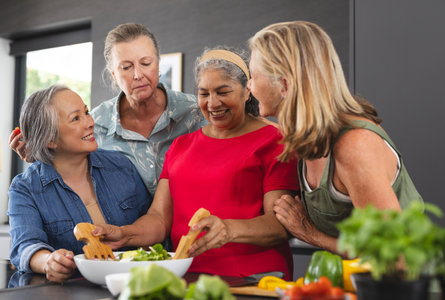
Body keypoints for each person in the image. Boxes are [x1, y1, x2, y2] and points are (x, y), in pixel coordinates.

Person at [93, 47, 300, 279]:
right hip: (185, 277)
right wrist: (124, 234)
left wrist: (229, 230)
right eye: (204, 94)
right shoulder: (181, 146)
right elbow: (159, 219)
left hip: (254, 278)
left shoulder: (275, 141)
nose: (213, 104)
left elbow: (281, 224)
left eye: (223, 92)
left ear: (246, 91)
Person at [247, 21, 423, 253]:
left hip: (408, 287)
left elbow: (393, 253)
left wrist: (310, 233)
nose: (249, 86)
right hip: (358, 284)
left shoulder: (354, 145)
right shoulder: (306, 136)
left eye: (253, 76)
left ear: (284, 85)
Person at [9, 23, 206, 196]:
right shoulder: (95, 123)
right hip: (123, 236)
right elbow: (73, 175)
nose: (138, 74)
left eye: (146, 63)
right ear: (113, 74)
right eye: (126, 67)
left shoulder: (196, 112)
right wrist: (42, 158)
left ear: (158, 64)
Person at [7, 85, 151, 283]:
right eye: (76, 118)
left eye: (86, 112)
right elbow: (25, 246)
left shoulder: (120, 166)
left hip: (135, 284)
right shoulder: (25, 188)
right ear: (50, 139)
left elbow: (151, 220)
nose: (90, 122)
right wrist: (49, 261)